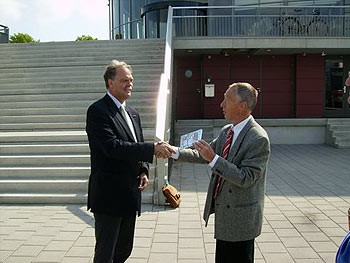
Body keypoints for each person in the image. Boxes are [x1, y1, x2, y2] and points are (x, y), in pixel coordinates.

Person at [171, 82, 270, 263]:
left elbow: (246, 178)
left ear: (243, 106)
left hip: (241, 220)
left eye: (227, 99)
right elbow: (204, 155)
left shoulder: (258, 138)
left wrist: (214, 159)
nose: (221, 104)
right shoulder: (228, 131)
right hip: (226, 216)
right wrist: (174, 152)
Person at [86, 60, 174, 263]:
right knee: (105, 254)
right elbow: (112, 147)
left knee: (124, 250)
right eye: (124, 80)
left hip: (129, 193)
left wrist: (143, 170)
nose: (130, 84)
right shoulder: (98, 111)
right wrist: (152, 149)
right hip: (108, 196)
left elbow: (136, 143)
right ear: (110, 83)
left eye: (131, 80)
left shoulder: (133, 113)